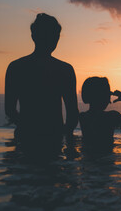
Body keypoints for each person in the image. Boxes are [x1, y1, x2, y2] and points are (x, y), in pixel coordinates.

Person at [5, 13, 79, 155]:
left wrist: (27, 126)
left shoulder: (15, 67)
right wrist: (65, 138)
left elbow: (10, 110)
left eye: (55, 36)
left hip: (25, 136)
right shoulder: (65, 69)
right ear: (34, 36)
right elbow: (72, 113)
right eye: (53, 35)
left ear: (33, 36)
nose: (54, 40)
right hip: (54, 136)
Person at [79, 77, 121, 151]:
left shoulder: (82, 117)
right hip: (106, 159)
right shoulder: (111, 116)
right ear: (103, 96)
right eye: (108, 94)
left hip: (87, 158)